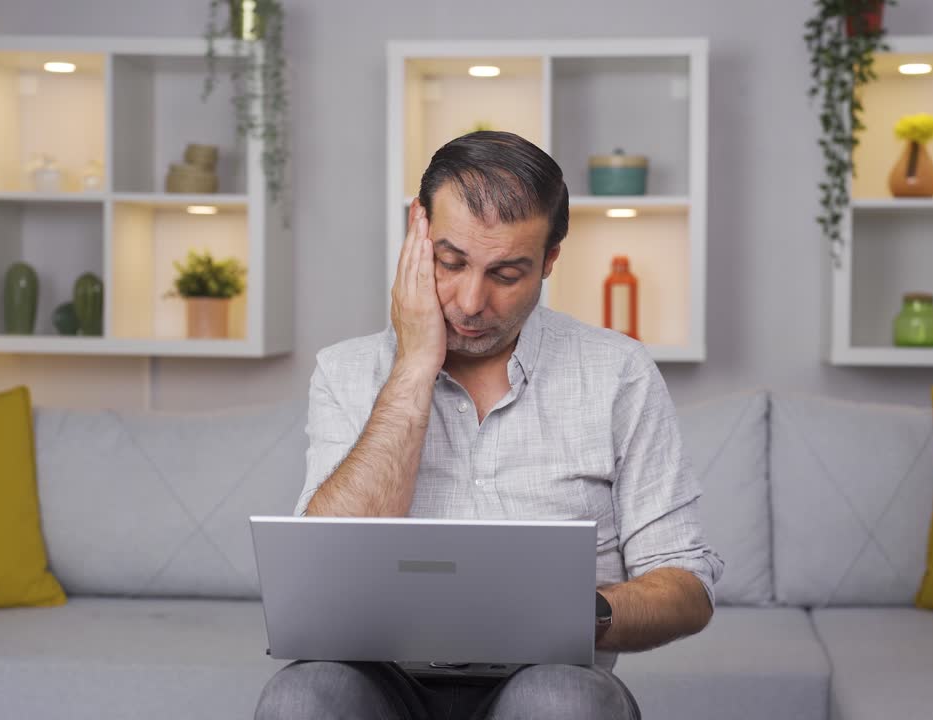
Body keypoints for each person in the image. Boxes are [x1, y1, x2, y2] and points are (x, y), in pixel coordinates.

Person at [256, 131, 723, 720]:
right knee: (300, 700)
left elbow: (687, 586)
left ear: (549, 260)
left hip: (548, 676)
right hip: (375, 682)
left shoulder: (618, 373)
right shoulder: (345, 372)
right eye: (450, 263)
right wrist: (414, 367)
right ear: (418, 229)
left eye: (505, 274)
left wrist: (573, 613)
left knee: (559, 703)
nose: (471, 302)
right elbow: (322, 574)